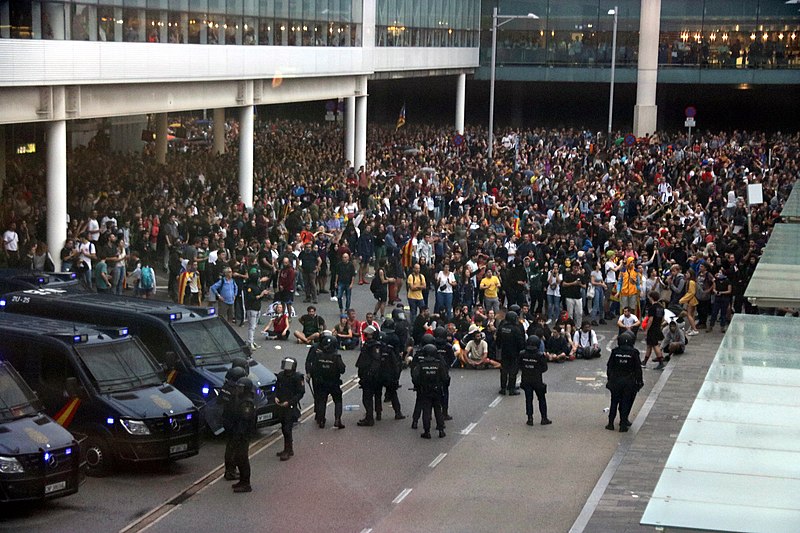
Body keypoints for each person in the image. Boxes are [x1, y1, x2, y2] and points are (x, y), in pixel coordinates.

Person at [305, 334, 346, 429]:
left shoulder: (319, 356)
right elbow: (342, 369)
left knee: (322, 401)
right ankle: (337, 420)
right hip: (334, 382)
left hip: (322, 382)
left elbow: (314, 368)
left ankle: (321, 420)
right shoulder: (336, 356)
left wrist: (310, 374)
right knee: (338, 400)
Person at [606, 331, 643, 432]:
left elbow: (609, 366)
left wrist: (610, 379)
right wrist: (639, 381)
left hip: (616, 380)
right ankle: (623, 424)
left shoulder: (615, 352)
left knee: (614, 402)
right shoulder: (634, 353)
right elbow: (638, 369)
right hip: (628, 381)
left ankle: (610, 423)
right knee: (625, 402)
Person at [411, 343, 448, 439]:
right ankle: (441, 430)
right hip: (437, 390)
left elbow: (415, 377)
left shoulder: (421, 364)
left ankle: (427, 432)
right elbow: (445, 377)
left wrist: (418, 385)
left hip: (425, 391)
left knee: (426, 411)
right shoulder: (438, 363)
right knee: (437, 410)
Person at [220, 365, 248, 482]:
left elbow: (220, 401)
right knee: (235, 447)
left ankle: (229, 470)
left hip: (226, 420)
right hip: (234, 422)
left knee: (229, 446)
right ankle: (230, 472)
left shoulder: (225, 387)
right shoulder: (235, 391)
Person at [229, 377, 257, 492]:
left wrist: (239, 435)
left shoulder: (247, 403)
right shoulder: (241, 399)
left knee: (242, 458)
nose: (239, 390)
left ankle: (246, 483)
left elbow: (244, 421)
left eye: (241, 388)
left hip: (243, 435)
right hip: (238, 433)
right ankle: (242, 480)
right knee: (238, 457)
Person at [274, 357, 305, 461]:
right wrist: (276, 397)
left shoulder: (297, 377)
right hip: (281, 405)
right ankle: (288, 449)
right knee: (283, 428)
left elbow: (300, 393)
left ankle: (287, 450)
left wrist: (290, 402)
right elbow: (277, 387)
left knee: (287, 429)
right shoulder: (281, 375)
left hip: (290, 407)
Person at [519, 335, 551, 426]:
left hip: (526, 379)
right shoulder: (540, 355)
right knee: (541, 399)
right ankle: (544, 418)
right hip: (537, 380)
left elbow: (520, 365)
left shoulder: (522, 354)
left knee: (528, 399)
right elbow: (544, 368)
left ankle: (530, 418)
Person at [355, 325, 382, 426]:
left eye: (369, 334)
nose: (367, 335)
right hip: (366, 374)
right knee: (367, 397)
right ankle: (370, 415)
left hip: (371, 376)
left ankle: (370, 418)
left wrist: (370, 373)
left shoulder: (375, 346)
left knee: (368, 398)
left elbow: (376, 360)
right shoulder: (368, 344)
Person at [496, 310, 525, 395]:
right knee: (513, 370)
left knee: (504, 370)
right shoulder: (516, 329)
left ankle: (503, 388)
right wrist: (521, 350)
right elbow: (520, 341)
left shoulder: (502, 328)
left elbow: (498, 339)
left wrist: (499, 346)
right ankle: (511, 389)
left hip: (504, 352)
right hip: (514, 352)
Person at [243, 268, 270, 350]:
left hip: (257, 307)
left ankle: (252, 340)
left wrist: (264, 293)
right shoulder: (250, 287)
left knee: (254, 326)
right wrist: (261, 295)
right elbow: (251, 298)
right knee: (252, 326)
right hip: (252, 308)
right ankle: (250, 342)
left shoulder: (257, 286)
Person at [433, 326, 455, 420]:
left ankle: (432, 413)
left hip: (433, 372)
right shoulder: (448, 346)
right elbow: (452, 359)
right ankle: (444, 412)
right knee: (445, 393)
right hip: (444, 373)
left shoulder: (432, 345)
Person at [641, 290, 666, 369]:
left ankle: (661, 362)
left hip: (652, 329)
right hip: (657, 327)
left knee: (654, 345)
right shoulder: (661, 307)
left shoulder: (652, 308)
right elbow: (662, 320)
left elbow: (650, 320)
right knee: (650, 345)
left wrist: (646, 330)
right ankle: (645, 361)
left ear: (651, 298)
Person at [562, 260, 586, 329]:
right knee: (570, 314)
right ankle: (570, 327)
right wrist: (573, 283)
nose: (576, 269)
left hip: (578, 297)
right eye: (575, 267)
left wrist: (580, 284)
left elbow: (584, 286)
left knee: (579, 313)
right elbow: (564, 284)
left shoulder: (580, 276)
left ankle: (578, 326)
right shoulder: (568, 275)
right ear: (572, 267)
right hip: (569, 296)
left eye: (577, 268)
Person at [708, 268, 732, 333]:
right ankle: (711, 326)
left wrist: (721, 292)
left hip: (725, 298)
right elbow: (714, 289)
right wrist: (716, 292)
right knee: (714, 312)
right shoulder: (716, 281)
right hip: (717, 298)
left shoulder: (727, 281)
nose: (719, 274)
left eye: (720, 273)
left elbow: (729, 290)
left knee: (723, 313)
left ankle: (722, 327)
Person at [679, 268, 700, 336]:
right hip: (692, 300)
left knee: (689, 314)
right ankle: (692, 328)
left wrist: (683, 300)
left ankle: (694, 329)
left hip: (691, 300)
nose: (686, 274)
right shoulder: (691, 281)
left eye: (688, 273)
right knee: (692, 315)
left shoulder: (691, 282)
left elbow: (691, 292)